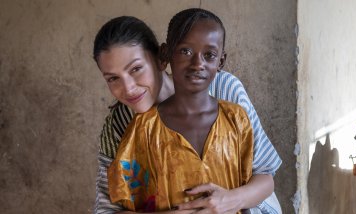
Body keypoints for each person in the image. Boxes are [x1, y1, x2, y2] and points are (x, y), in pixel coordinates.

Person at [93, 12, 282, 214]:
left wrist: (230, 200)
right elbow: (107, 210)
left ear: (161, 58)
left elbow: (264, 173)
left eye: (136, 69)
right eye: (113, 78)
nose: (128, 88)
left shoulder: (224, 90)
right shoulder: (121, 124)